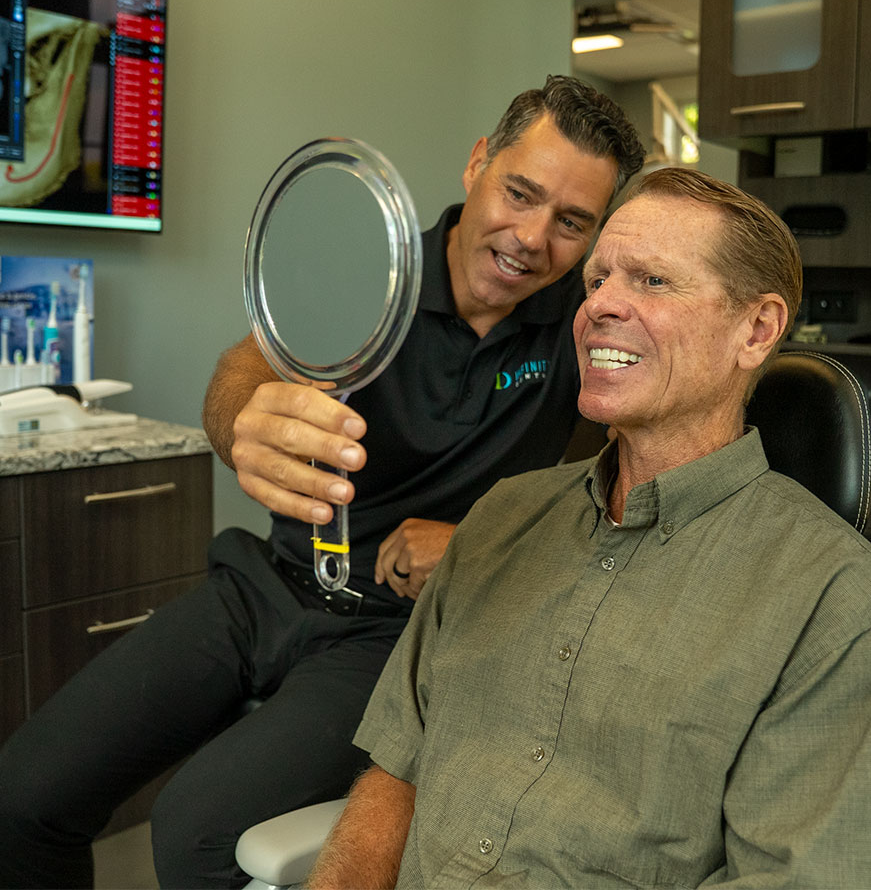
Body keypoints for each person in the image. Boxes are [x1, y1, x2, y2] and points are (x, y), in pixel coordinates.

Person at [0, 76, 644, 889]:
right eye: (519, 193)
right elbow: (243, 370)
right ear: (477, 163)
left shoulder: (583, 329)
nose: (530, 237)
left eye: (571, 223)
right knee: (24, 796)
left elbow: (619, 493)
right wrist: (246, 426)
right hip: (264, 585)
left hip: (393, 635)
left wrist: (486, 546)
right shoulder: (369, 271)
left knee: (197, 830)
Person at [308, 167, 871, 890]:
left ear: (755, 329)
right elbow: (398, 772)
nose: (600, 305)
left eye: (651, 282)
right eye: (597, 280)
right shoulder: (500, 520)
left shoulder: (836, 604)